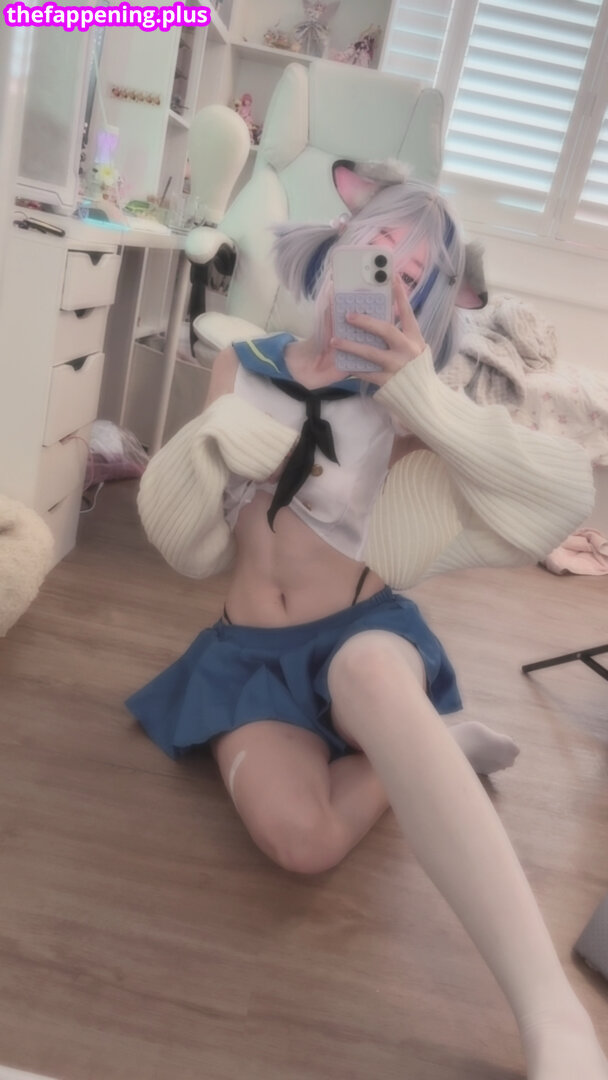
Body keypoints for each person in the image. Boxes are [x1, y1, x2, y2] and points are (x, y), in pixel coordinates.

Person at [128, 160, 606, 1079]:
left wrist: (423, 397)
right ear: (343, 241)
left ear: (424, 305)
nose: (391, 274)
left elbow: (561, 496)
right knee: (301, 843)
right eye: (382, 246)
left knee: (373, 675)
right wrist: (213, 447)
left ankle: (555, 1020)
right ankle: (432, 748)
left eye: (415, 275)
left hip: (359, 634)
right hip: (247, 656)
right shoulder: (240, 365)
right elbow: (183, 546)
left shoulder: (407, 408)